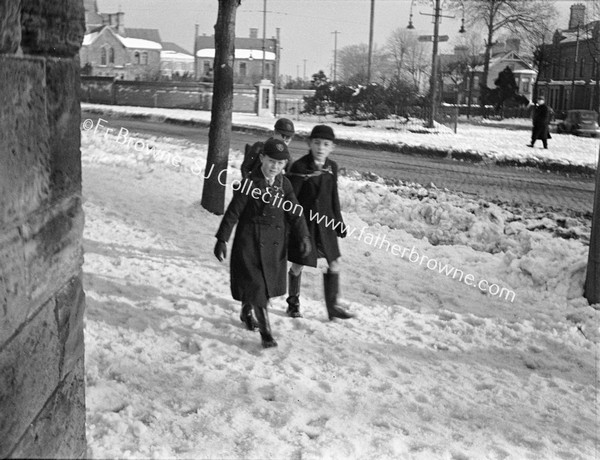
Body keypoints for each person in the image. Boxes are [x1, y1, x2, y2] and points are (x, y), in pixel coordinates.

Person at [214, 138, 311, 348]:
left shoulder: (284, 184)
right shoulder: (249, 183)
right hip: (249, 243)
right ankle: (267, 334)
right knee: (259, 289)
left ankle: (245, 311)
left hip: (275, 245)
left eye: (280, 163)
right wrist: (222, 239)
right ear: (261, 159)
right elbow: (233, 212)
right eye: (271, 161)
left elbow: (295, 212)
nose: (275, 166)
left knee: (262, 288)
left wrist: (304, 236)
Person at [285, 125, 354, 321]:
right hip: (304, 225)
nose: (321, 148)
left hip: (325, 225)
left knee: (334, 262)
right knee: (298, 264)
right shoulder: (299, 167)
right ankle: (293, 304)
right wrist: (293, 226)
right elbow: (292, 200)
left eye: (326, 144)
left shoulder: (332, 167)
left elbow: (334, 196)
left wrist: (338, 221)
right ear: (309, 143)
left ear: (332, 146)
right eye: (316, 143)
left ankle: (333, 307)